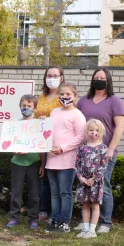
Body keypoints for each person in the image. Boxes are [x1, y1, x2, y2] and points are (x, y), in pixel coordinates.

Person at [76, 67, 124, 234]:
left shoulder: (114, 101)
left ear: (108, 80)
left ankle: (105, 222)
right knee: (85, 187)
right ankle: (85, 223)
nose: (98, 79)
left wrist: (110, 149)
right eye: (96, 77)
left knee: (103, 186)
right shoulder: (84, 100)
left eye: (102, 77)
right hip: (86, 153)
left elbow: (119, 127)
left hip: (104, 154)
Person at [45, 82, 86, 233]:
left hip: (67, 160)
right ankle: (55, 220)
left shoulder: (77, 114)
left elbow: (81, 137)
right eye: (62, 94)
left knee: (65, 192)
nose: (64, 97)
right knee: (54, 192)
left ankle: (64, 222)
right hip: (51, 159)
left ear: (74, 96)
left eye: (68, 94)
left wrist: (62, 148)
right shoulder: (54, 112)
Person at [6, 94, 45, 230]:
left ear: (35, 108)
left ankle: (33, 218)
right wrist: (15, 151)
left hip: (34, 162)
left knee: (34, 193)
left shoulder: (39, 124)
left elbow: (42, 146)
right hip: (17, 162)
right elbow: (10, 144)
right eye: (24, 106)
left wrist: (43, 165)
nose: (26, 108)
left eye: (29, 106)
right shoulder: (15, 125)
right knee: (16, 192)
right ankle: (14, 217)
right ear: (20, 106)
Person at [34, 66, 65, 223]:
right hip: (41, 142)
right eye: (49, 75)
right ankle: (43, 210)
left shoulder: (65, 96)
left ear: (61, 78)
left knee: (58, 181)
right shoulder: (41, 97)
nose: (51, 78)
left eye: (55, 75)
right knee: (44, 177)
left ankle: (56, 213)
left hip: (58, 144)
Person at [75, 119, 108, 239]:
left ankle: (92, 230)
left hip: (95, 183)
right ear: (86, 131)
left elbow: (103, 166)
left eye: (97, 130)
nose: (94, 132)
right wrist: (80, 177)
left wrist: (94, 179)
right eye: (91, 130)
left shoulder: (103, 148)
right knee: (85, 205)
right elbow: (77, 164)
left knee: (95, 205)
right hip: (83, 182)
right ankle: (85, 228)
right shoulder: (82, 148)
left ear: (101, 132)